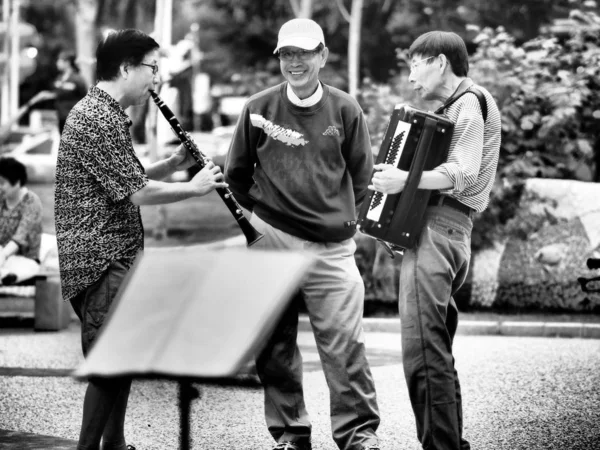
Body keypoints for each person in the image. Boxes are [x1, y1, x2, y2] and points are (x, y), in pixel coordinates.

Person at [54, 29, 227, 450]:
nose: (156, 78)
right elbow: (137, 193)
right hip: (101, 258)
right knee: (110, 364)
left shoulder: (105, 113)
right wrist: (196, 187)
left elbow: (127, 177)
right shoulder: (98, 117)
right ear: (127, 67)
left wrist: (171, 163)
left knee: (122, 356)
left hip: (111, 256)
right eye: (152, 67)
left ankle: (113, 443)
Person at [224, 18, 380, 450]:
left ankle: (358, 435)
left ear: (323, 56)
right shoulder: (258, 107)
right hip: (271, 239)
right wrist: (258, 221)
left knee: (345, 345)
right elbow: (235, 174)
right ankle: (291, 433)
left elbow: (364, 177)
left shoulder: (345, 109)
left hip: (331, 247)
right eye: (287, 54)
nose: (294, 62)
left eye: (304, 53)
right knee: (274, 345)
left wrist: (345, 222)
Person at [369, 31, 501, 450]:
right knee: (435, 351)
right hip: (444, 230)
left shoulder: (470, 102)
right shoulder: (456, 107)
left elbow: (461, 173)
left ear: (440, 62)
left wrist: (401, 182)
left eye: (414, 65)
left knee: (423, 355)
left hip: (440, 232)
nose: (410, 78)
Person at [0, 157, 42, 285]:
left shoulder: (31, 201)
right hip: (1, 255)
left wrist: (3, 255)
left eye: (2, 183)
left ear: (17, 182)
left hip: (24, 258)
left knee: (26, 269)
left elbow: (20, 237)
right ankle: (4, 275)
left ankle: (6, 276)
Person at [30, 50, 88, 134]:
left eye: (59, 61)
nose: (57, 63)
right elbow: (57, 93)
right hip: (61, 116)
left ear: (67, 62)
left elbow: (84, 96)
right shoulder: (59, 78)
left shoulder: (77, 79)